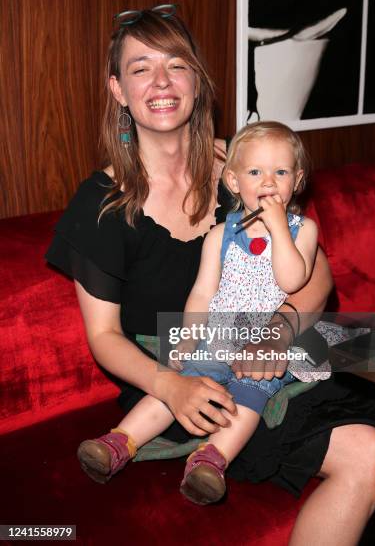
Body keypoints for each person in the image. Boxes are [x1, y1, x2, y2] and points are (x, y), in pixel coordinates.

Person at [46, 5, 375, 544]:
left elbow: (317, 276)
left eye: (176, 64)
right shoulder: (101, 203)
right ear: (118, 90)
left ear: (197, 80)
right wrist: (174, 385)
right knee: (369, 452)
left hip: (273, 338)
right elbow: (103, 338)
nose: (162, 81)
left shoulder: (239, 168)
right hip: (179, 370)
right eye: (141, 67)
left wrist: (280, 330)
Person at [75, 120, 331, 505]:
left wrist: (279, 229)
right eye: (255, 172)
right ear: (233, 181)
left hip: (265, 345)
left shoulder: (302, 230)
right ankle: (118, 442)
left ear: (296, 181)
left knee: (250, 394)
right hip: (220, 333)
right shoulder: (220, 234)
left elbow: (293, 278)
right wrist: (188, 337)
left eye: (280, 172)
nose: (268, 182)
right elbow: (202, 293)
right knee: (184, 379)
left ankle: (211, 460)